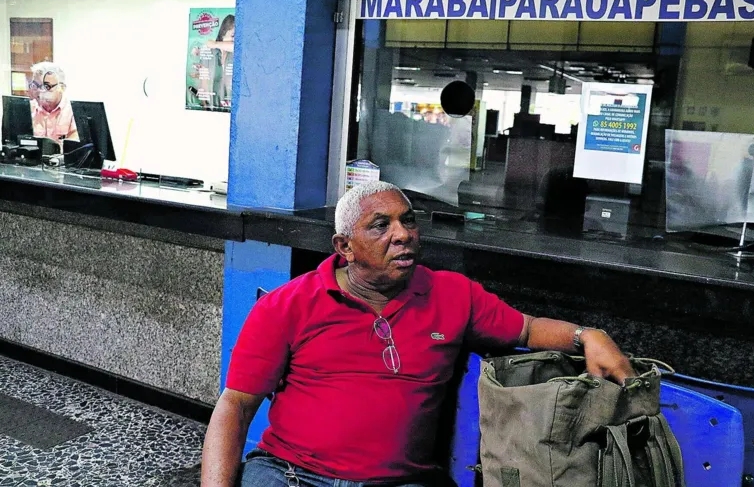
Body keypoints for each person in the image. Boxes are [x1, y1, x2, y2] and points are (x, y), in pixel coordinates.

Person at [201, 181, 635, 487]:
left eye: (408, 222)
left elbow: (529, 328)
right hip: (291, 474)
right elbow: (236, 405)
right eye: (380, 225)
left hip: (400, 482)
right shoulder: (288, 304)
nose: (403, 234)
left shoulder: (453, 295)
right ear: (344, 248)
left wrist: (587, 335)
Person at [27, 62, 79, 148]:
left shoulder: (74, 112)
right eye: (35, 85)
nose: (39, 91)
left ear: (62, 88)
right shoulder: (27, 110)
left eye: (46, 86)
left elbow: (74, 149)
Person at [200, 14, 235, 110]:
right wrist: (205, 106)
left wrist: (215, 44)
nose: (235, 39)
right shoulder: (209, 51)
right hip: (213, 107)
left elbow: (236, 47)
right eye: (233, 35)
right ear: (224, 32)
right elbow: (203, 83)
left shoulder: (234, 53)